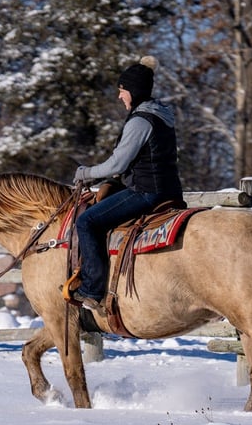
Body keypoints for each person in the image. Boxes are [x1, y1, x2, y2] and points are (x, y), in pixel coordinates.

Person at [71, 55, 183, 312]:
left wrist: (85, 173)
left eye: (122, 90)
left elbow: (117, 164)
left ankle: (92, 289)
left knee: (86, 222)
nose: (120, 96)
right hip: (169, 190)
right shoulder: (161, 117)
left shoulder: (140, 121)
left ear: (134, 90)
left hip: (147, 193)